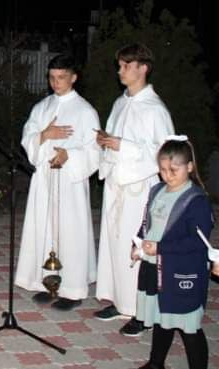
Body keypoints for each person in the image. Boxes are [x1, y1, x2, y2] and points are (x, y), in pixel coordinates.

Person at [94, 43, 174, 336]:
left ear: (143, 68)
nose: (120, 71)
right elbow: (115, 139)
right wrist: (106, 142)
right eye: (120, 65)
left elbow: (166, 152)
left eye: (126, 66)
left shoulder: (155, 109)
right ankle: (119, 300)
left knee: (138, 248)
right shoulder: (120, 103)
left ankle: (142, 311)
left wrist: (122, 146)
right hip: (117, 184)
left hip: (140, 188)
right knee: (115, 245)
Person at [14, 55, 100, 311]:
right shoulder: (41, 108)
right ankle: (46, 283)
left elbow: (94, 150)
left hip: (70, 183)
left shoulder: (86, 111)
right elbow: (28, 138)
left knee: (70, 231)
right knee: (44, 228)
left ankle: (73, 289)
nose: (56, 82)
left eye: (61, 77)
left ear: (74, 77)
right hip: (44, 180)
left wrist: (69, 156)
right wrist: (44, 135)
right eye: (52, 77)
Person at [132, 137, 212, 369]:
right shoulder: (157, 190)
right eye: (163, 170)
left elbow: (198, 242)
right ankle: (156, 363)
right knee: (161, 318)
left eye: (173, 170)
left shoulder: (196, 201)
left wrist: (161, 248)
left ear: (189, 167)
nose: (167, 175)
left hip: (181, 270)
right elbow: (147, 222)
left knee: (188, 326)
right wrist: (138, 243)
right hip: (154, 266)